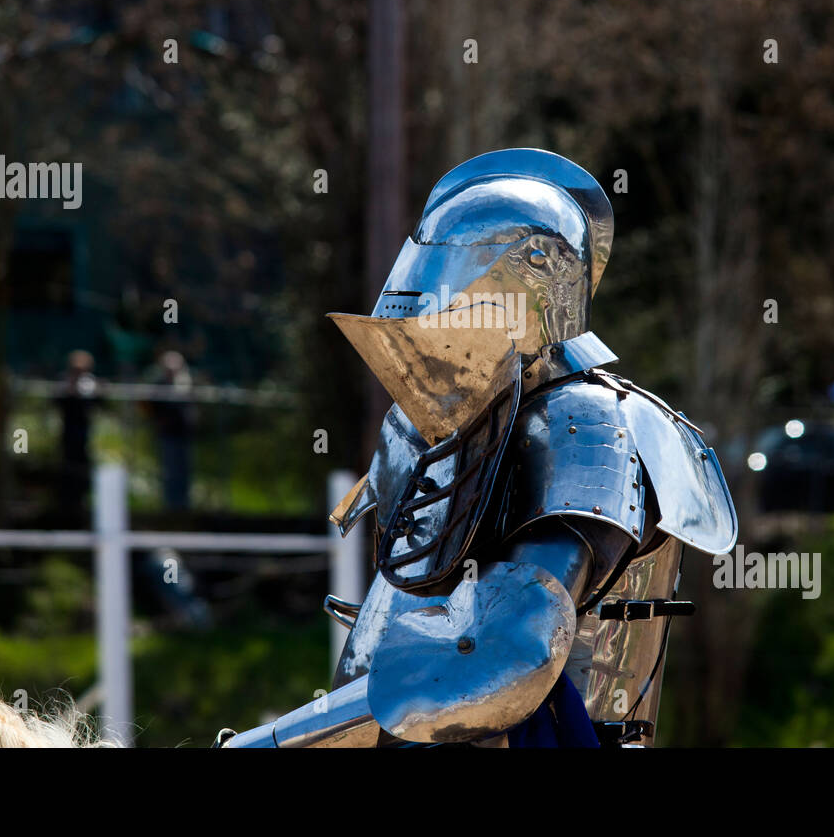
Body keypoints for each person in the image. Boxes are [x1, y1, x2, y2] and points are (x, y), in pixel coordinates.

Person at [216, 148, 739, 749]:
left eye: (443, 326)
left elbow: (501, 658)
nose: (428, 356)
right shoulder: (445, 434)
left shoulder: (590, 424)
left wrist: (270, 744)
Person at [144, 350, 197, 511]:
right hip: (168, 434)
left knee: (185, 471)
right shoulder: (158, 385)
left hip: (185, 433)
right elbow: (150, 407)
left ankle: (184, 505)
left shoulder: (186, 383)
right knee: (170, 471)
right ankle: (171, 506)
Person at [55, 350, 99, 518]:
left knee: (83, 471)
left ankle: (82, 504)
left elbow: (98, 404)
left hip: (86, 436)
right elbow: (56, 403)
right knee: (67, 470)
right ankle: (66, 506)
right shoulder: (63, 382)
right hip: (67, 435)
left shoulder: (90, 383)